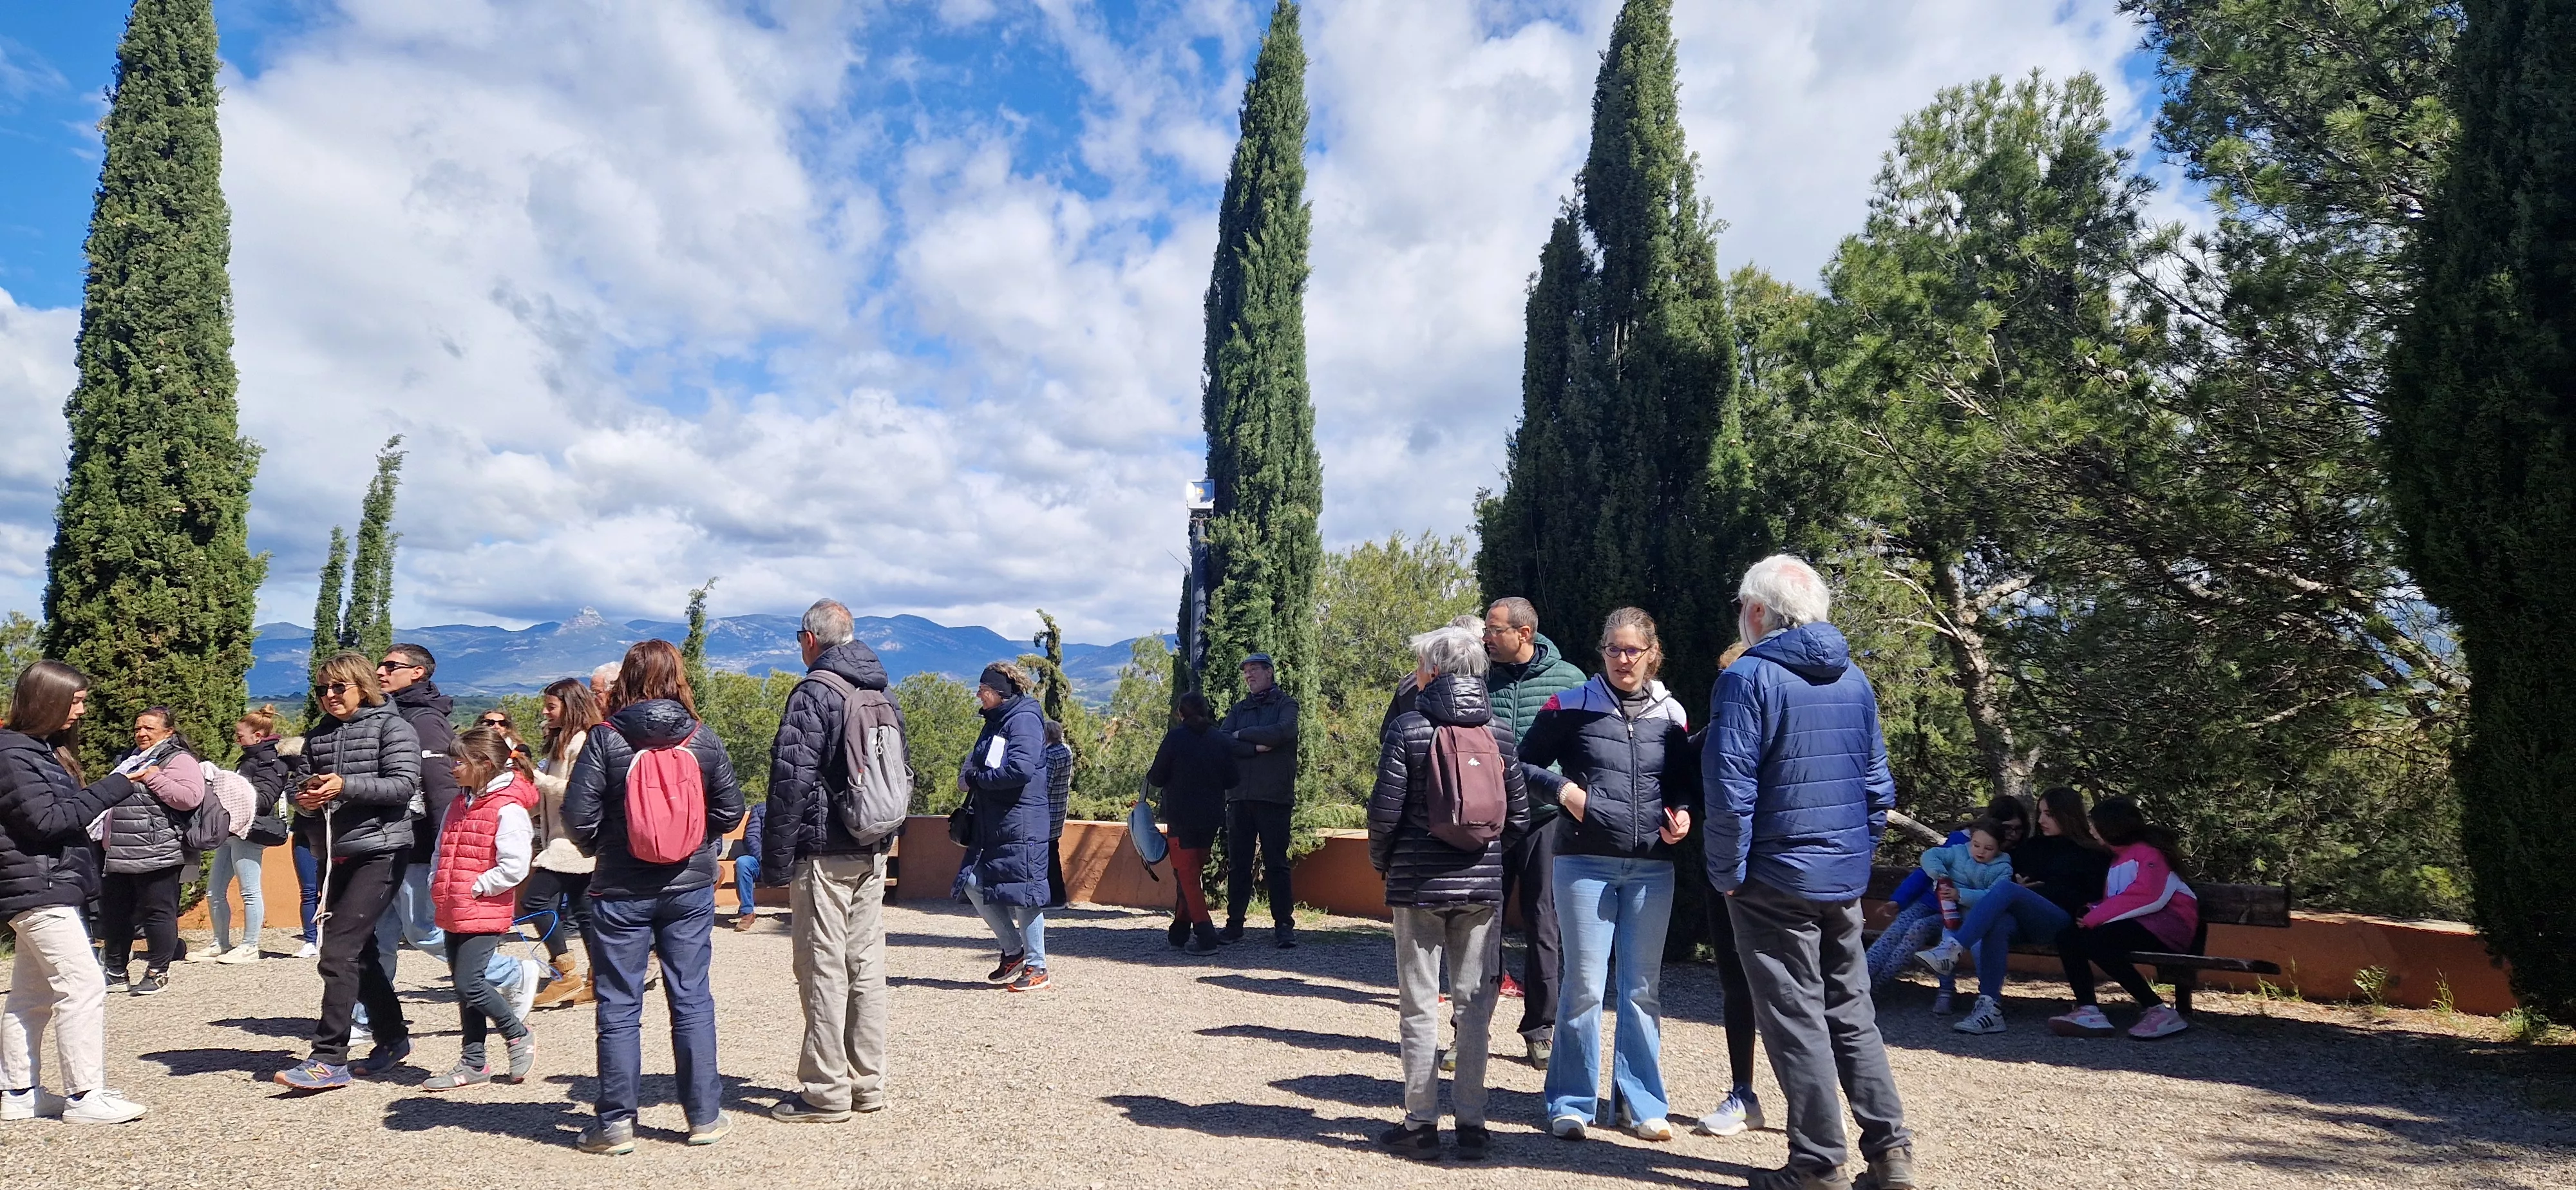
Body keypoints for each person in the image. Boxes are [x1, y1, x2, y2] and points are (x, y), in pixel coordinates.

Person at [1704, 555, 1915, 1190]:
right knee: (1852, 1012)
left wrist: (1727, 873)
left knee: (1794, 1018)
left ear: (1758, 611)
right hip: (1839, 878)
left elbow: (1730, 791)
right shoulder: (1854, 678)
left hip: (1772, 878)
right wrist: (1856, 856)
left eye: (1741, 607)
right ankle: (1890, 1154)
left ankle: (1817, 1165)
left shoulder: (1746, 678)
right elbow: (1878, 788)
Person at [1519, 607, 1696, 1143]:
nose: (1623, 659)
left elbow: (1681, 783)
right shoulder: (1570, 705)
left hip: (1652, 869)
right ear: (1603, 653)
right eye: (1614, 649)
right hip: (1583, 864)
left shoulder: (1672, 712)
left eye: (1633, 650)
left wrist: (1683, 814)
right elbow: (1518, 765)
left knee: (1642, 990)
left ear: (1652, 653)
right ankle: (1571, 1103)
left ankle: (1640, 1105)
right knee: (1584, 988)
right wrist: (1564, 792)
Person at [564, 639, 746, 1153]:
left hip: (621, 887)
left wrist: (606, 846)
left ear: (627, 678)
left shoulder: (605, 738)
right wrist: (695, 840)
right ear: (678, 678)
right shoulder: (701, 737)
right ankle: (704, 1118)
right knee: (691, 999)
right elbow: (731, 811)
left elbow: (578, 818)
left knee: (619, 1004)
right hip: (688, 888)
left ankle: (616, 1125)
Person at [1367, 624, 1531, 1161]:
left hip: (1418, 886)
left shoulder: (1409, 729)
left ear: (1433, 671)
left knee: (1419, 1005)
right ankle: (1473, 1124)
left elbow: (1384, 814)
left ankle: (1420, 1123)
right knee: (1475, 1008)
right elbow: (1519, 817)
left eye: (1421, 666)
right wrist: (1486, 860)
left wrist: (1384, 863)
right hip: (1481, 890)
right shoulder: (1499, 733)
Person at [761, 600, 902, 1122]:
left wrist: (776, 861)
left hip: (824, 854)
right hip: (873, 846)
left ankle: (826, 1092)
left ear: (810, 640)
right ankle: (868, 1084)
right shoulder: (882, 692)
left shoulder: (814, 693)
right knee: (865, 967)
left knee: (822, 968)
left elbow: (790, 781)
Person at [0, 661, 150, 1124]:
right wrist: (116, 786)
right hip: (39, 888)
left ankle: (19, 1093)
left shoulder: (36, 750)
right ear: (47, 700)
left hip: (43, 885)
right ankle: (85, 1096)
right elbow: (47, 820)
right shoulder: (13, 754)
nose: (81, 711)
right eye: (76, 701)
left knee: (31, 995)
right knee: (84, 986)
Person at [274, 651, 424, 1090]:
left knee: (337, 951)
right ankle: (392, 1039)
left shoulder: (394, 728)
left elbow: (403, 785)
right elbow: (298, 786)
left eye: (339, 687)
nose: (330, 695)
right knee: (360, 954)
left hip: (382, 849)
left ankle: (329, 1058)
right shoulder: (319, 735)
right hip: (336, 853)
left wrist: (345, 786)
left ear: (364, 687)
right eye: (323, 689)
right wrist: (306, 799)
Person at [1480, 596, 1586, 1065]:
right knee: (1481, 923)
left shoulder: (1570, 680)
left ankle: (1541, 1029)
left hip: (1545, 820)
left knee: (1544, 924)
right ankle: (1471, 1028)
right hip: (1490, 819)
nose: (1486, 638)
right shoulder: (1480, 677)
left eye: (1494, 629)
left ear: (1524, 633)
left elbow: (1587, 748)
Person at [1925, 788, 2110, 1035]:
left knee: (2007, 890)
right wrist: (2019, 886)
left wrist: (2038, 890)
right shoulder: (2031, 848)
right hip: (2021, 922)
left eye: (2049, 814)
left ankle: (1952, 949)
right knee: (1999, 922)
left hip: (2059, 921)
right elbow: (2003, 875)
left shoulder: (2092, 853)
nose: (2041, 820)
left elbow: (2091, 897)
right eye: (2040, 813)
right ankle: (1989, 1009)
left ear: (2067, 815)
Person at [421, 726, 540, 1090]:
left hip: (483, 909)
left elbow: (515, 865)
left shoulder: (508, 809)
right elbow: (442, 848)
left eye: (460, 762)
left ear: (485, 764)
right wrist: (437, 881)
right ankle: (474, 1063)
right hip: (454, 906)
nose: (453, 768)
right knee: (465, 989)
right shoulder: (460, 803)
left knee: (469, 983)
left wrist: (477, 886)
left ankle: (517, 1034)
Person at [2048, 797, 2199, 1042]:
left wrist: (2096, 917)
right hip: (2139, 925)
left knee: (2097, 941)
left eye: (2095, 825)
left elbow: (2149, 896)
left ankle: (2158, 1010)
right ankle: (2088, 1010)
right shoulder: (2118, 859)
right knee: (2068, 937)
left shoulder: (2149, 853)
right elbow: (2119, 900)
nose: (2092, 830)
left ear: (2111, 827)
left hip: (2168, 928)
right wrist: (2090, 910)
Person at [1691, 644, 1765, 1139]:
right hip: (1724, 877)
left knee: (1794, 993)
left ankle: (1812, 1107)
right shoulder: (1708, 738)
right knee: (1736, 986)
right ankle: (1744, 1093)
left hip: (1777, 877)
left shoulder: (1780, 734)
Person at [1864, 797, 2032, 1001]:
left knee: (1918, 931)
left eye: (2018, 829)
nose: (2013, 834)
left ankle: (1872, 989)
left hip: (1957, 912)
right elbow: (1926, 872)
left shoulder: (2009, 857)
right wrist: (1899, 900)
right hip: (1930, 902)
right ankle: (1859, 983)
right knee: (1894, 934)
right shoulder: (1962, 842)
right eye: (2008, 828)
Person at [953, 662, 1054, 992]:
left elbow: (1020, 770)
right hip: (996, 822)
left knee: (1025, 894)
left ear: (1000, 693)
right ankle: (1014, 951)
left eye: (983, 690)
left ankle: (1037, 967)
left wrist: (976, 780)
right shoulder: (997, 721)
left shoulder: (1023, 720)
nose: (978, 695)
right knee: (971, 881)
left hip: (1021, 823)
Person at [97, 707, 204, 997]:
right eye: (138, 729)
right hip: (119, 850)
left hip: (159, 850)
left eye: (149, 729)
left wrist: (153, 778)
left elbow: (190, 798)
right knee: (116, 914)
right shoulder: (128, 759)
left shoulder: (178, 759)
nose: (141, 733)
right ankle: (115, 972)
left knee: (158, 913)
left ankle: (157, 972)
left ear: (168, 732)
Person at [373, 645, 456, 978]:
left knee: (422, 930)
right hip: (387, 843)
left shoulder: (424, 721)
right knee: (376, 937)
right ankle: (371, 1008)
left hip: (418, 847)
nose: (380, 672)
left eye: (391, 666)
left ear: (417, 673)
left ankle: (509, 973)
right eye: (380, 665)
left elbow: (441, 786)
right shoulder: (392, 715)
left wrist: (442, 847)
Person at [527, 677, 603, 1010]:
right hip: (564, 839)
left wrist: (537, 779)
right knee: (585, 912)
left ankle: (565, 973)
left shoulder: (581, 742)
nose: (545, 713)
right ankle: (599, 979)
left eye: (551, 707)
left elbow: (577, 791)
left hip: (571, 842)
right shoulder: (562, 743)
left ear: (570, 707)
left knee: (534, 900)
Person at [1218, 652, 1300, 948]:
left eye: (1254, 669)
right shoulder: (1240, 708)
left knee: (1277, 864)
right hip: (1240, 797)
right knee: (1239, 865)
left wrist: (1243, 734)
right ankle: (1234, 925)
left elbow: (1282, 732)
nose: (1249, 675)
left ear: (1269, 672)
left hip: (1274, 797)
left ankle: (1284, 926)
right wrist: (1254, 748)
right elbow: (1223, 740)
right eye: (1246, 671)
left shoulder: (1286, 705)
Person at [1146, 692, 1236, 955]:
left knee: (1187, 877)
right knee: (1189, 875)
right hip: (1210, 818)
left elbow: (1156, 777)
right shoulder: (1219, 739)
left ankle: (1206, 936)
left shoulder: (1175, 739)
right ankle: (1179, 932)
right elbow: (1233, 779)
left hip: (1181, 818)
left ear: (1180, 713)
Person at [1906, 819, 2017, 1014]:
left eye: (1988, 848)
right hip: (1953, 918)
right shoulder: (1958, 852)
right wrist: (1940, 875)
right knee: (1945, 948)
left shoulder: (2003, 868)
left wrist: (1961, 895)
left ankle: (1989, 996)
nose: (1980, 852)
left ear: (1999, 848)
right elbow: (1931, 855)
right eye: (1976, 845)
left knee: (1982, 953)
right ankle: (1945, 991)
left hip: (1982, 924)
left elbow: (1994, 897)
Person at [202, 709, 277, 963]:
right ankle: (220, 942)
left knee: (250, 890)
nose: (237, 740)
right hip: (231, 831)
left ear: (258, 736)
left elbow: (264, 800)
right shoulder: (247, 760)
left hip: (250, 832)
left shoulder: (270, 762)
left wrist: (231, 788)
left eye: (240, 736)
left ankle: (250, 945)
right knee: (214, 891)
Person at [1042, 719, 1074, 913]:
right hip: (1059, 808)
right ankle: (1056, 896)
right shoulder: (1066, 751)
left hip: (1047, 810)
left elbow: (1044, 786)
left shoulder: (1050, 756)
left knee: (1048, 855)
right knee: (1052, 851)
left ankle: (1056, 897)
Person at [731, 800, 766, 930]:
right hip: (762, 862)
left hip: (788, 862)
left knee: (804, 863)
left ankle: (803, 912)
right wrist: (762, 858)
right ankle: (747, 913)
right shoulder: (760, 809)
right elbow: (751, 837)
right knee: (743, 862)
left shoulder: (796, 807)